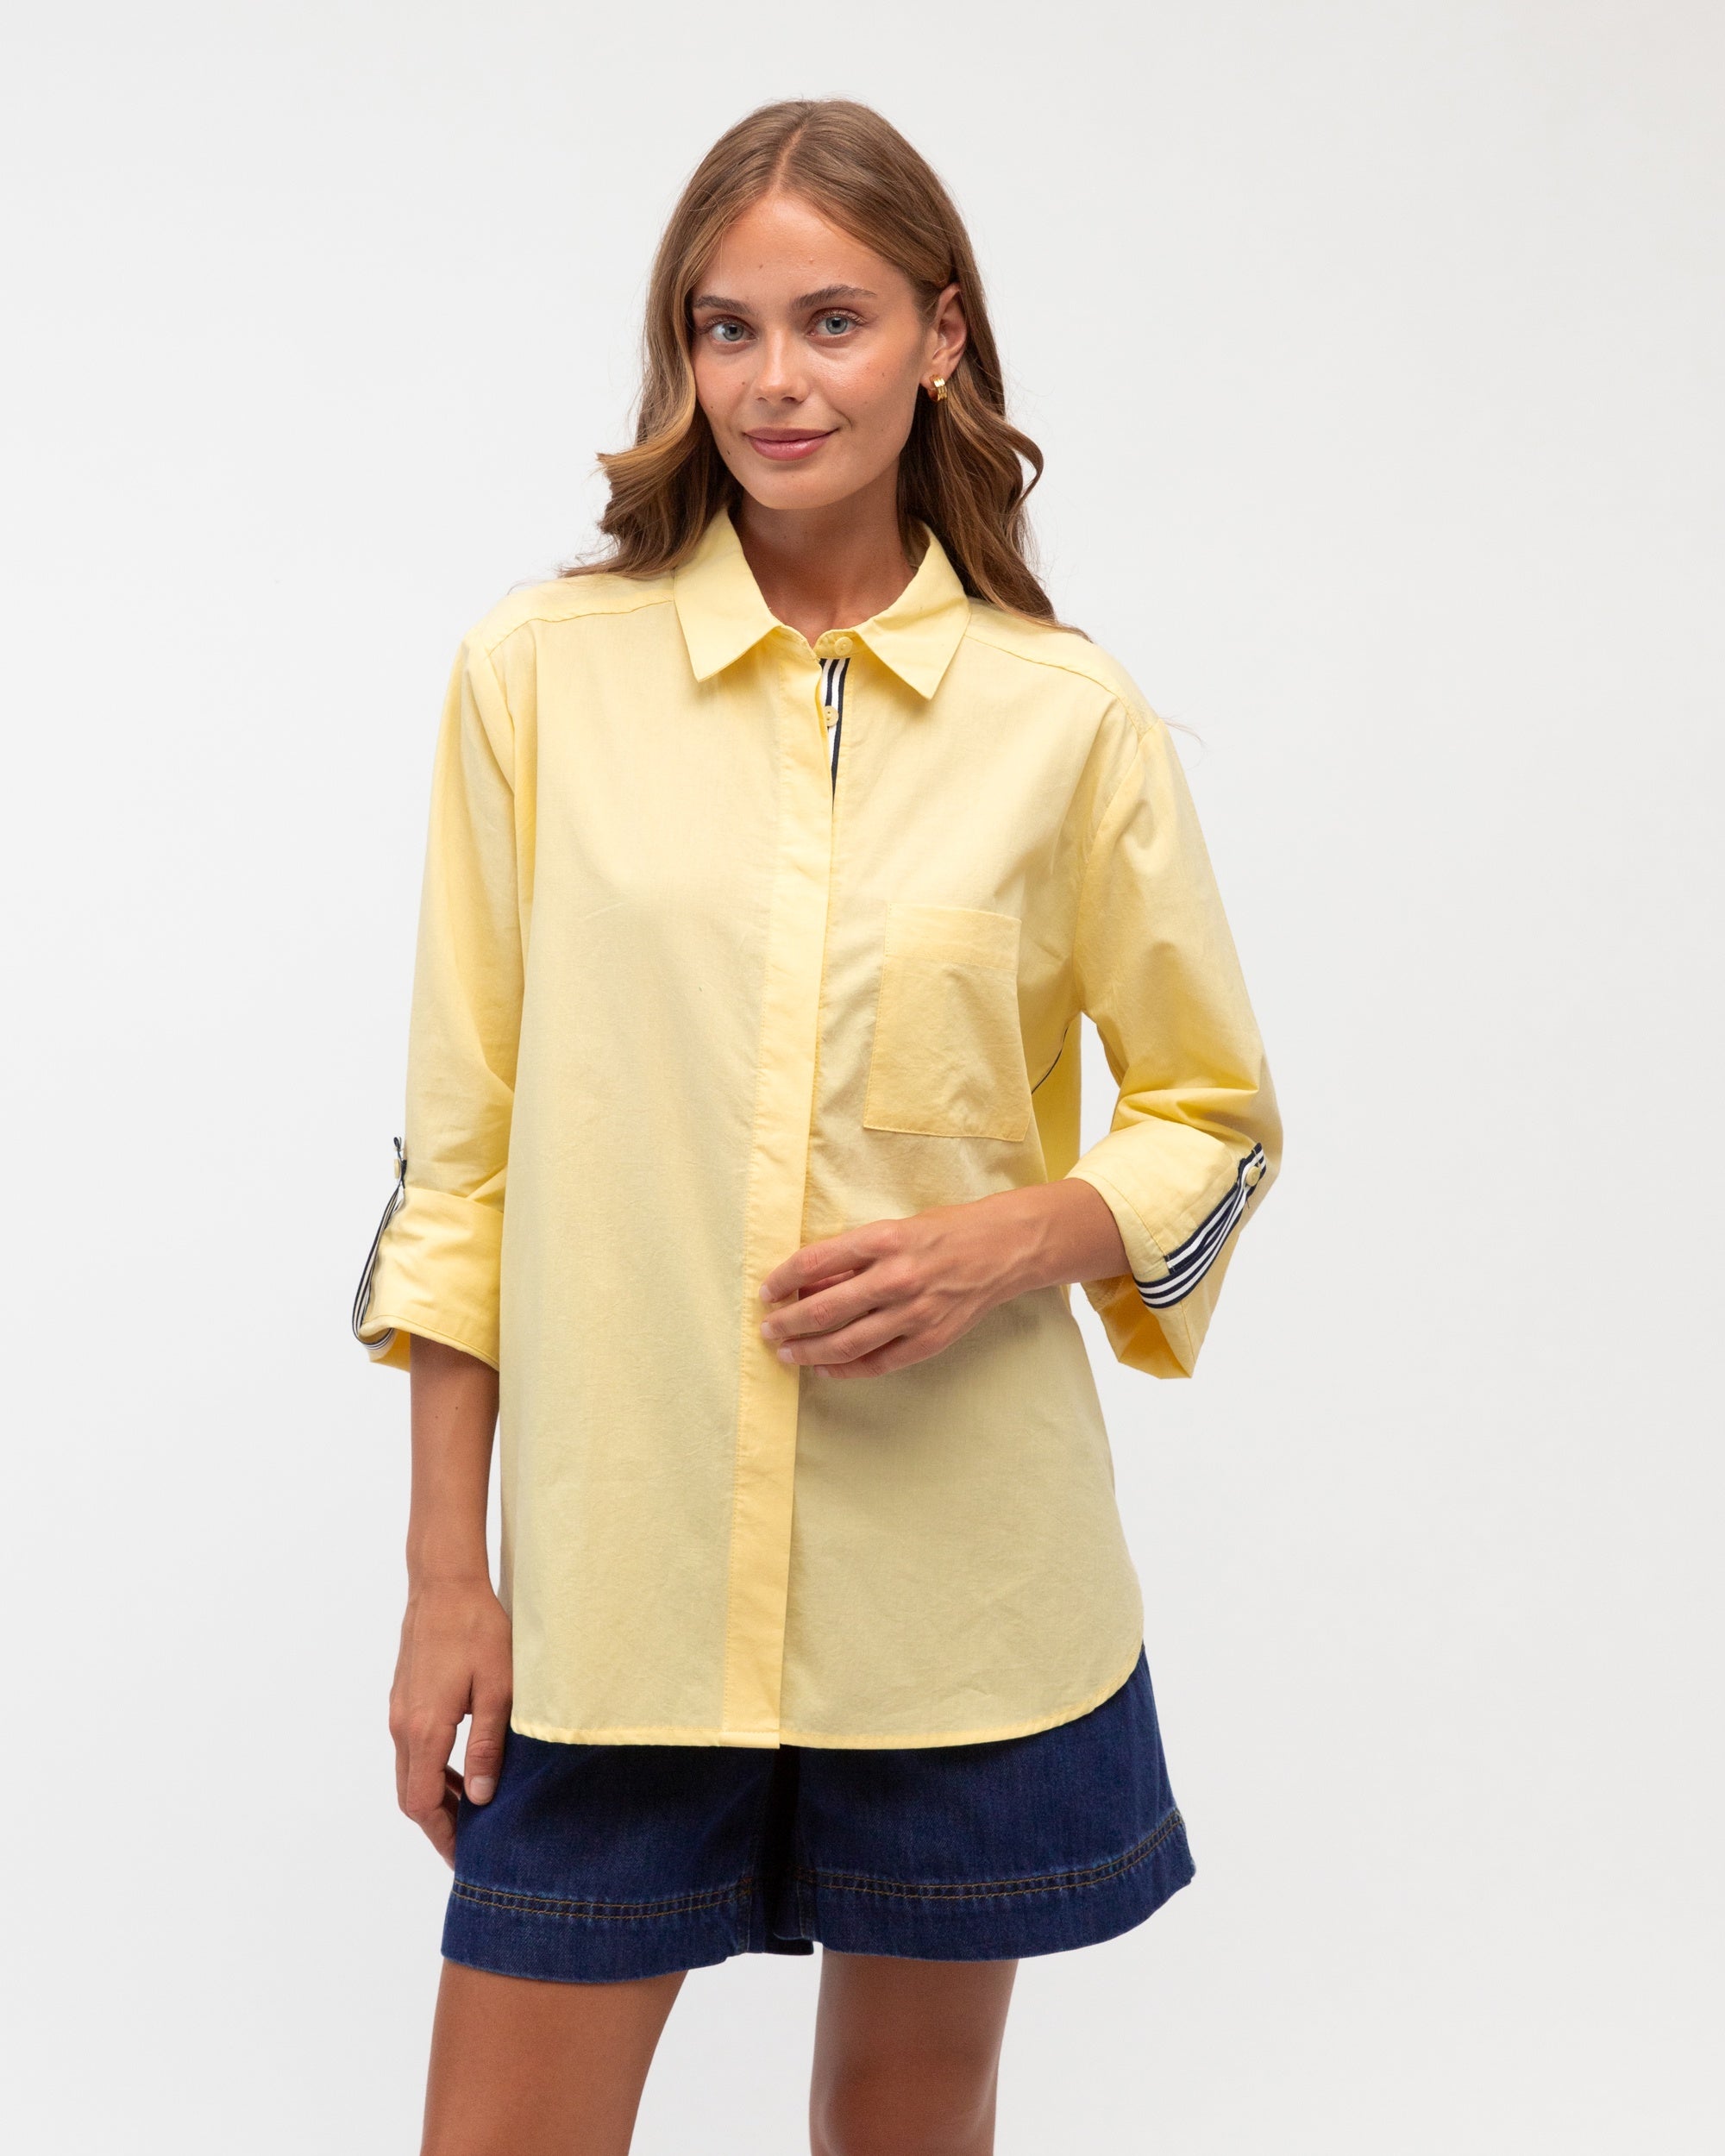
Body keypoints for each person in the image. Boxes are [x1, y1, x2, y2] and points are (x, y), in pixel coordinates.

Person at [354, 96, 1280, 2156]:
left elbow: (1212, 1116)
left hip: (958, 1600)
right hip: (616, 1592)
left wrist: (1007, 1238)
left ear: (941, 337)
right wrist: (444, 1579)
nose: (776, 380)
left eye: (833, 321)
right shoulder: (538, 678)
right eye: (727, 327)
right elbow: (460, 1159)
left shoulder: (1064, 719)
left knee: (904, 2125)